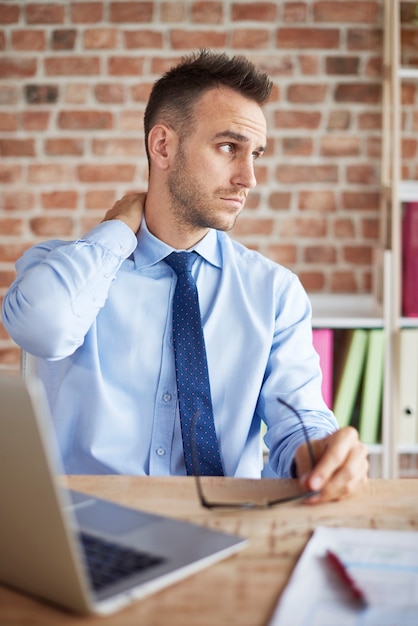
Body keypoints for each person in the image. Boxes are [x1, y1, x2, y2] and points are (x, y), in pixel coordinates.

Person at [2, 50, 368, 503]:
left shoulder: (273, 292)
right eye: (228, 148)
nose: (248, 177)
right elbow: (43, 329)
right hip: (90, 529)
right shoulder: (67, 271)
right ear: (163, 146)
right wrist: (117, 230)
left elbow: (299, 418)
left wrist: (321, 452)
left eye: (255, 154)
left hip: (228, 529)